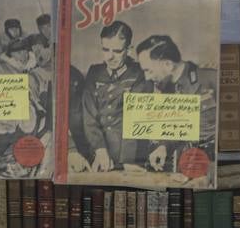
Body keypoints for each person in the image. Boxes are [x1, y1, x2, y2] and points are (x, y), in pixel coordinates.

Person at [135, 34, 217, 173]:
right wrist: (163, 147)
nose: (147, 77)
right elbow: (177, 129)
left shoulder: (210, 78)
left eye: (148, 70)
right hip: (186, 166)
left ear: (168, 64)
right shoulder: (165, 89)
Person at [79, 20, 151, 173]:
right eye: (105, 50)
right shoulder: (94, 72)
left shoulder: (140, 74)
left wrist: (128, 161)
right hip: (97, 155)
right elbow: (89, 116)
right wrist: (99, 149)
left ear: (129, 50)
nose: (110, 57)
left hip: (130, 158)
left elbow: (135, 120)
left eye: (117, 51)